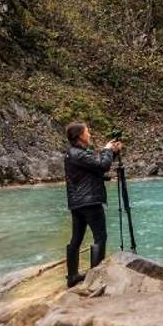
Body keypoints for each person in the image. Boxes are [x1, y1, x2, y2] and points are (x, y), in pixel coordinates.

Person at [63, 122, 123, 287]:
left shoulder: (74, 154)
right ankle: (95, 279)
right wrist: (107, 149)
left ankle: (73, 277)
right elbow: (102, 165)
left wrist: (113, 153)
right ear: (80, 136)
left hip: (77, 203)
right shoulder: (79, 154)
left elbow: (94, 169)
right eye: (87, 131)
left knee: (76, 239)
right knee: (100, 237)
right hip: (90, 201)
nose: (89, 134)